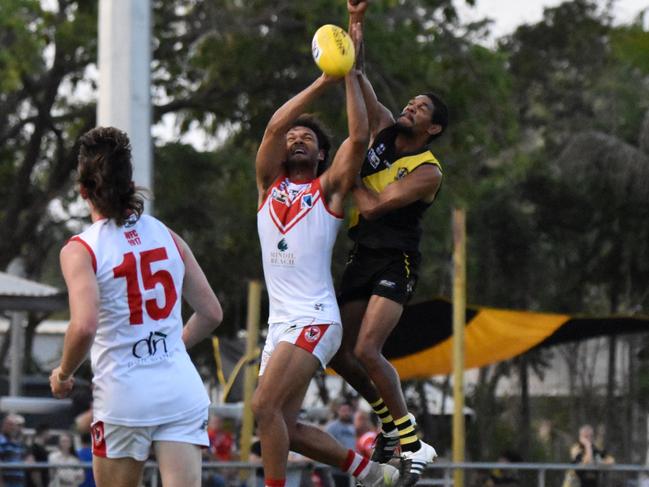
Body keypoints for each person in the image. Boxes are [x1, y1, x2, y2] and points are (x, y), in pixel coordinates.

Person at [252, 22, 398, 487]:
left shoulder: (328, 191)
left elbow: (357, 139)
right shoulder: (266, 186)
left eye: (309, 139)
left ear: (321, 158)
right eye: (294, 138)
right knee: (284, 428)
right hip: (279, 325)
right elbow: (276, 124)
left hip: (314, 317)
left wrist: (351, 73)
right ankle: (372, 474)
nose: (297, 139)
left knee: (262, 407)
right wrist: (323, 79)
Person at [48, 126, 224, 487]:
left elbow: (83, 326)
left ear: (83, 191)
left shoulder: (81, 249)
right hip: (180, 390)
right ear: (131, 184)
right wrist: (170, 345)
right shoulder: (165, 233)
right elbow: (211, 313)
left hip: (124, 396)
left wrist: (63, 374)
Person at [329, 2, 448, 485]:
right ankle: (389, 421)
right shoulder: (380, 128)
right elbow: (354, 73)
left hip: (395, 260)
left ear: (432, 128)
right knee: (339, 352)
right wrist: (356, 20)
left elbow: (376, 206)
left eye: (421, 108)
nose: (410, 107)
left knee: (370, 349)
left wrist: (347, 173)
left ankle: (409, 435)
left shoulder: (427, 170)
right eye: (411, 101)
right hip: (362, 256)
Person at [325, 401, 357, 487]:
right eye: (343, 411)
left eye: (348, 410)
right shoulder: (332, 427)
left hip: (355, 468)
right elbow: (328, 446)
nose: (346, 413)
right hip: (338, 469)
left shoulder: (355, 426)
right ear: (338, 411)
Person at [0, 414, 34, 487]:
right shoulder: (1, 441)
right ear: (3, 425)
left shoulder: (19, 444)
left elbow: (30, 462)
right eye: (9, 424)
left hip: (19, 483)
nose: (12, 427)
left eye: (14, 425)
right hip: (5, 483)